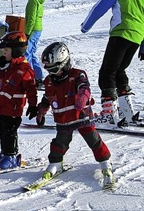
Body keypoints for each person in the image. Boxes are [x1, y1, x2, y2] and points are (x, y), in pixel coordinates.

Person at [80, 0, 144, 127]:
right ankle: (126, 112)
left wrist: (85, 27)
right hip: (137, 38)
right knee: (119, 71)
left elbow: (99, 8)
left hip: (121, 33)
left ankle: (109, 115)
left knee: (106, 73)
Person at [36, 42, 115, 188]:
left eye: (54, 69)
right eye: (49, 70)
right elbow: (47, 97)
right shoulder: (49, 81)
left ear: (64, 63)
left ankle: (105, 162)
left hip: (81, 117)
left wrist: (83, 96)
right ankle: (55, 163)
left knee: (93, 140)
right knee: (59, 143)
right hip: (63, 120)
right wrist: (42, 109)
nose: (52, 74)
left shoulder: (77, 75)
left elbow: (84, 87)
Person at [0, 31, 38, 170]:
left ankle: (12, 156)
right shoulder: (3, 65)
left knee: (9, 133)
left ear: (16, 51)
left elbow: (31, 89)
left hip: (13, 109)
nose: (4, 53)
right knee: (1, 131)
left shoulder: (24, 69)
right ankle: (5, 152)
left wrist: (33, 106)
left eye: (7, 50)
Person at [23, 0, 45, 85]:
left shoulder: (33, 1)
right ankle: (38, 76)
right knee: (32, 53)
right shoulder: (37, 0)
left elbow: (31, 19)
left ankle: (28, 78)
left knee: (26, 54)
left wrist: (26, 33)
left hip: (32, 30)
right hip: (37, 29)